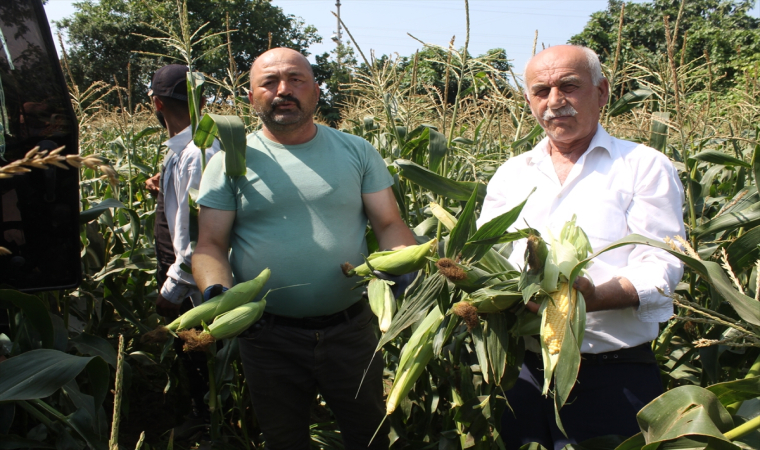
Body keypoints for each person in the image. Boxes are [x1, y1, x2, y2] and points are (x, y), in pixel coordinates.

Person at [192, 47, 416, 449]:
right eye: (269, 82)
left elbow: (389, 223)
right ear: (250, 97)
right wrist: (218, 297)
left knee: (369, 436)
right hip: (268, 337)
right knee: (284, 440)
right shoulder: (230, 159)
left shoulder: (357, 150)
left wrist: (406, 271)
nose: (284, 90)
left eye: (296, 80)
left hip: (351, 330)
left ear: (315, 90)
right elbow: (210, 244)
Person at [476, 45, 685, 449]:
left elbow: (661, 263)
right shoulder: (511, 174)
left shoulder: (644, 166)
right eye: (541, 91)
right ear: (529, 101)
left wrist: (590, 297)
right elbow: (487, 253)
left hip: (612, 374)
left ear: (602, 91)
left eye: (569, 86)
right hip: (524, 370)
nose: (555, 102)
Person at [144, 64, 219, 435]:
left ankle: (208, 421)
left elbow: (201, 234)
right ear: (202, 100)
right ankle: (201, 412)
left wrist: (173, 287)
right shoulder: (182, 151)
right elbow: (186, 203)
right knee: (191, 350)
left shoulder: (198, 152)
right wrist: (162, 184)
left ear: (156, 103)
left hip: (190, 278)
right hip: (181, 272)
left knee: (200, 351)